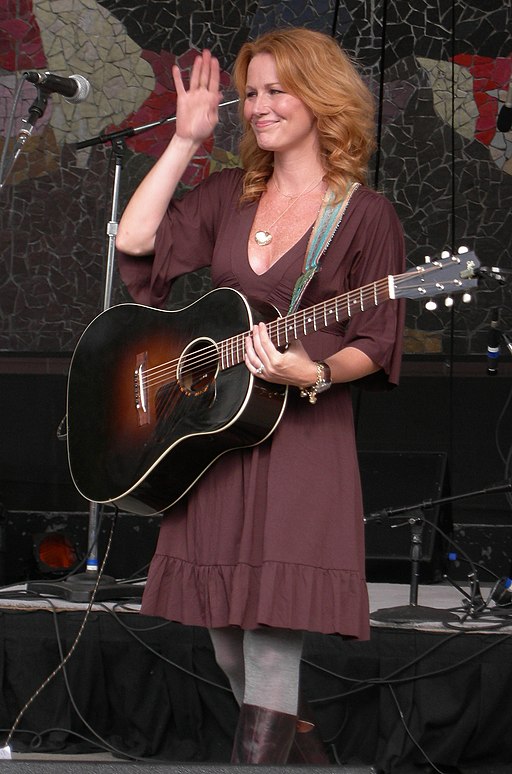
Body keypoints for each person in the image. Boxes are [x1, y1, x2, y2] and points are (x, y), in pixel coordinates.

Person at [116, 26, 405, 765]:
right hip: (214, 437)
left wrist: (308, 373)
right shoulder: (227, 196)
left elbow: (373, 343)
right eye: (252, 92)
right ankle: (307, 759)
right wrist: (185, 141)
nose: (261, 105)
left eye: (278, 89)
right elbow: (138, 243)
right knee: (226, 644)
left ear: (321, 96)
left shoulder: (365, 215)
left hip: (302, 442)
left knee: (273, 639)